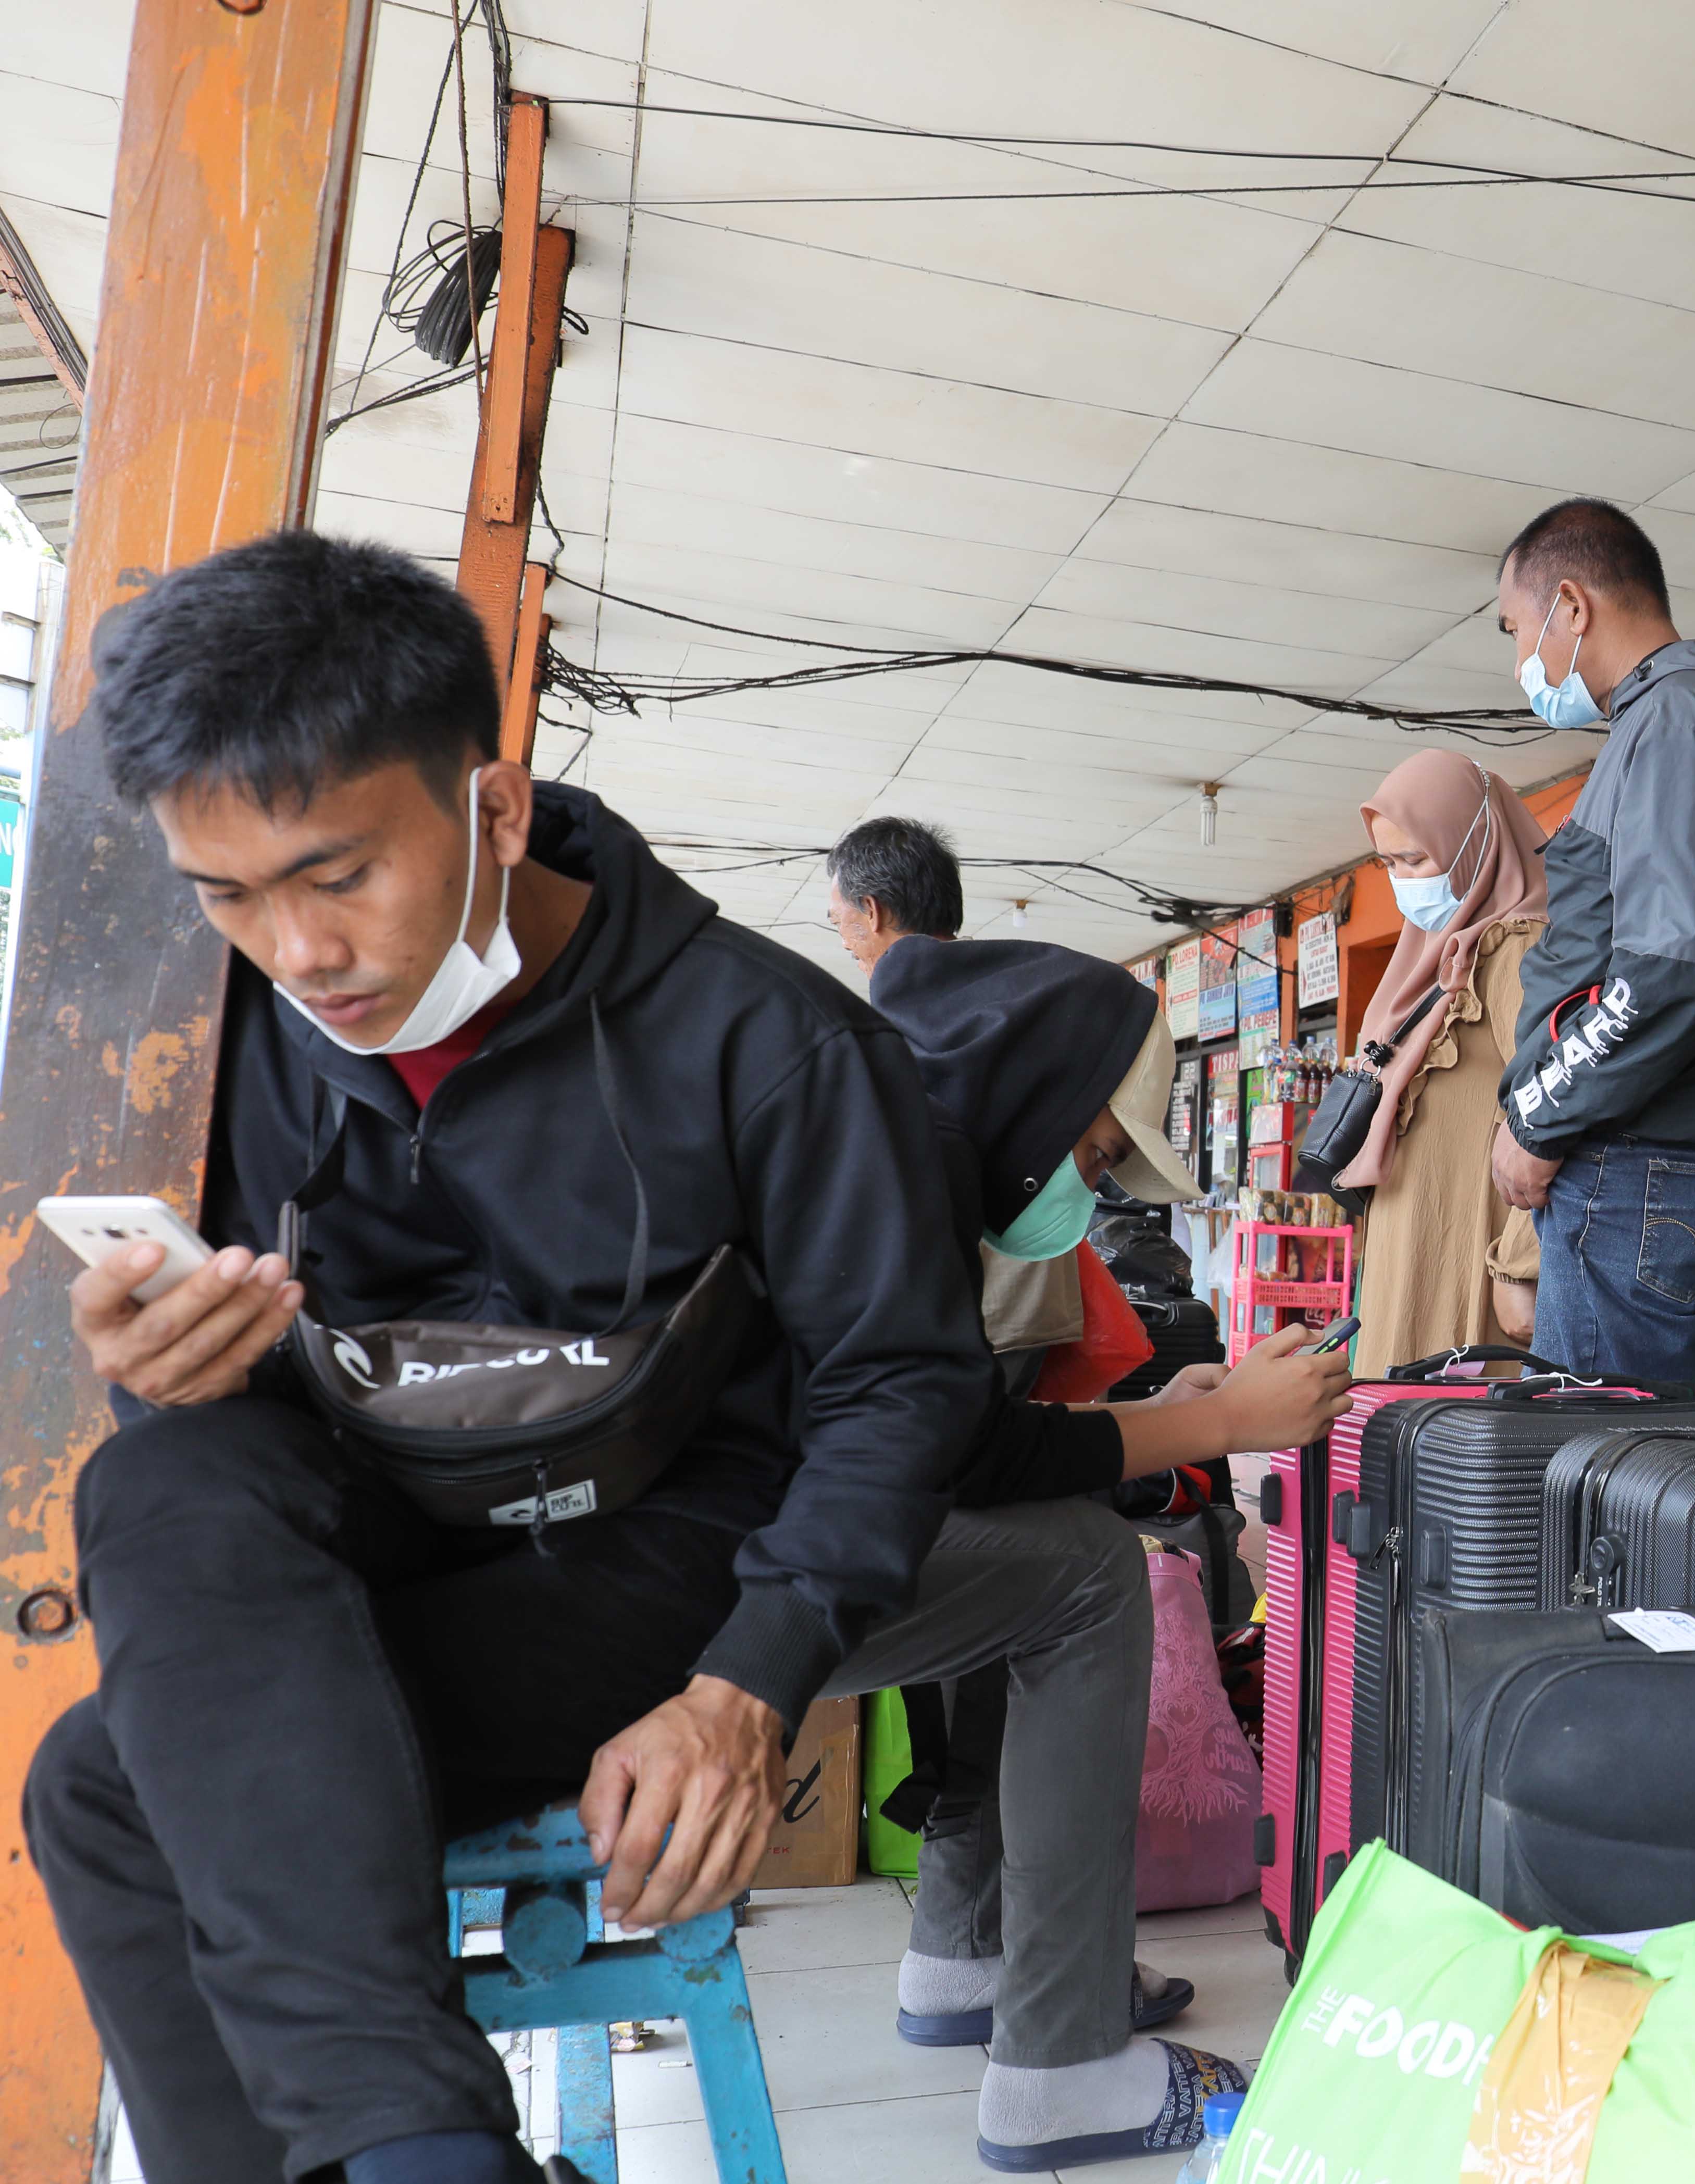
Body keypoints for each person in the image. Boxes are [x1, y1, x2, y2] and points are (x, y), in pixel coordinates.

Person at [22, 532, 1240, 2184]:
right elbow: (240, 1451)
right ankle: (431, 2148)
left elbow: (902, 1389)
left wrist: (746, 1687)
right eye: (229, 897)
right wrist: (174, 1360)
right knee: (162, 1464)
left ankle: (413, 2156)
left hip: (658, 1540)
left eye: (336, 874)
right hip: (385, 1516)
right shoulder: (254, 1052)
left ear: (494, 809)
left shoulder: (776, 1044)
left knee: (103, 1785)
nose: (299, 950)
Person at [862, 933, 1348, 2162]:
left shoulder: (883, 1134)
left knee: (1021, 1550)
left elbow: (948, 1443)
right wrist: (1217, 1423)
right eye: (1089, 1152)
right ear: (1037, 1099)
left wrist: (1172, 1419)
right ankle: (1063, 2066)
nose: (1088, 1182)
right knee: (1081, 1571)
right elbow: (959, 1460)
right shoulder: (904, 1176)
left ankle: (965, 1958)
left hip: (715, 1552)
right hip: (721, 1588)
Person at [1485, 499, 1695, 1384]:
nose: (1521, 658)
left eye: (1517, 629)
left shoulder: (1682, 720)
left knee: (1601, 1486)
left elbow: (1671, 968)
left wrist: (1540, 1115)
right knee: (1663, 1486)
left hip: (1645, 1170)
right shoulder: (1684, 719)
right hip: (1678, 1169)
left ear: (1572, 605)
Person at [1342, 751, 1551, 1366]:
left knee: (1446, 1439)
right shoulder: (1432, 954)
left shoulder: (1520, 948)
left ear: (1476, 845)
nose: (1403, 879)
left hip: (1463, 1247)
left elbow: (1556, 1107)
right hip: (1407, 1249)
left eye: (1417, 859)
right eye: (1389, 863)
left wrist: (1518, 1266)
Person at [828, 813, 964, 968]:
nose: (845, 944)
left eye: (838, 922)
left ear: (871, 910)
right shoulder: (992, 977)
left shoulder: (912, 991)